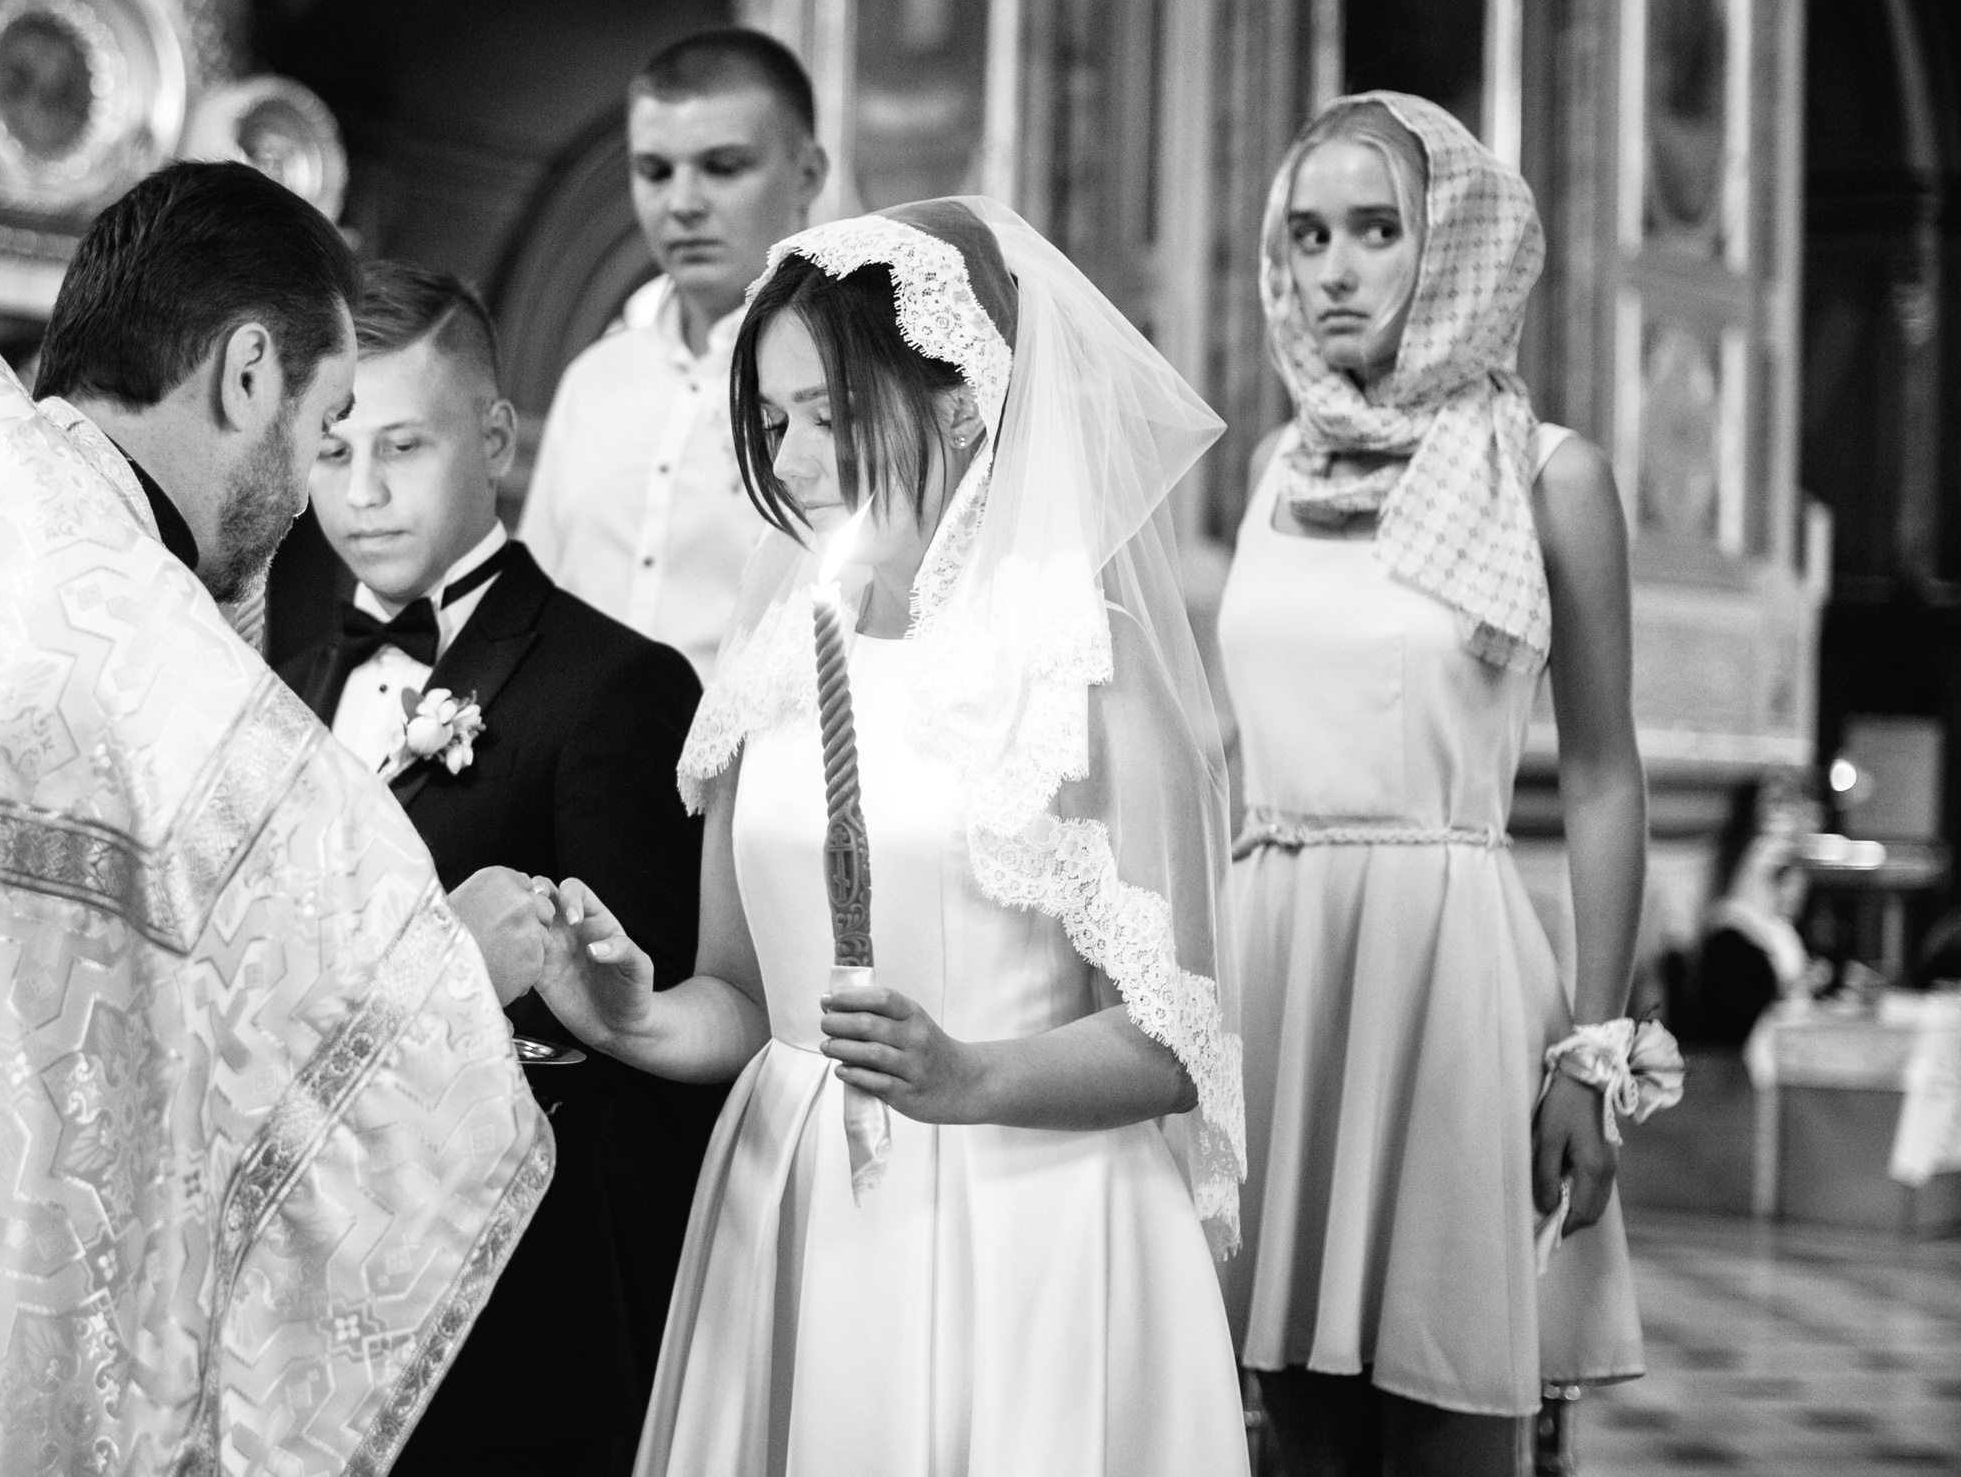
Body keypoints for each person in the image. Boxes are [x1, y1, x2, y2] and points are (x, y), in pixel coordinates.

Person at [0, 164, 568, 1476]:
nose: (310, 491)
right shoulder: (136, 650)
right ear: (246, 371)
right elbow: (315, 1041)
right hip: (5, 1368)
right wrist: (459, 962)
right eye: (326, 425)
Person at [539, 197, 1253, 1475]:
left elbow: (1172, 1037)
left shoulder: (1079, 660)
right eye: (771, 420)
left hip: (1025, 1218)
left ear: (962, 397)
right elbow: (748, 996)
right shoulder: (772, 661)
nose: (796, 458)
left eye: (830, 411)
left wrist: (968, 1075)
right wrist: (630, 1015)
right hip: (796, 1200)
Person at [1218, 93, 1671, 1475]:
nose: (1334, 267)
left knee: (1453, 1406)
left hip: (1449, 966)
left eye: (1376, 229)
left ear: (1456, 248)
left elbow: (1600, 775)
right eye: (1307, 235)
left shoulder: (1548, 475)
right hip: (1276, 970)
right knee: (1290, 1425)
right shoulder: (1273, 469)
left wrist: (1593, 1055)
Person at [277, 261, 719, 1476]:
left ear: (495, 436)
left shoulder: (618, 686)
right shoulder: (292, 679)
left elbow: (644, 1043)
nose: (361, 493)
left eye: (403, 446)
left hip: (528, 1295)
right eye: (331, 448)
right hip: (329, 1277)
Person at [519, 27, 828, 680]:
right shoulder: (595, 379)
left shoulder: (848, 378)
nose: (681, 203)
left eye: (722, 167)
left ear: (807, 174)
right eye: (654, 171)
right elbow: (535, 600)